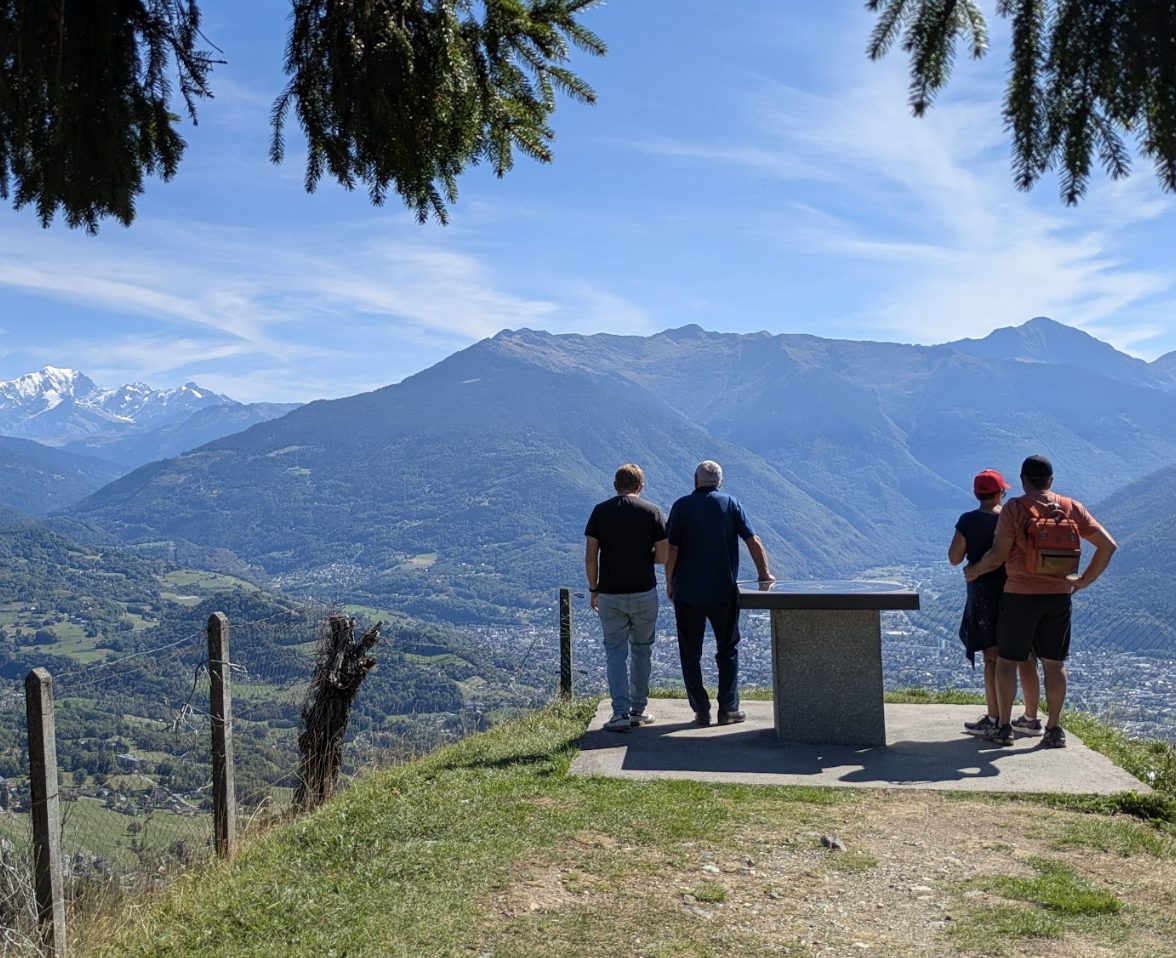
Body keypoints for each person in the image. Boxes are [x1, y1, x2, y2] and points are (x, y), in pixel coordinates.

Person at [965, 455, 1117, 748]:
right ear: (1051, 481)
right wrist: (1083, 581)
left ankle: (1004, 727)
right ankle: (1054, 729)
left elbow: (997, 556)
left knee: (1008, 662)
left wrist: (973, 571)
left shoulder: (1015, 508)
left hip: (1019, 595)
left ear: (1023, 481)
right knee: (1054, 663)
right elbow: (1108, 546)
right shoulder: (1071, 507)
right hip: (1058, 597)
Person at [665, 460, 774, 727]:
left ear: (695, 480)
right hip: (723, 591)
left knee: (690, 652)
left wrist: (670, 582)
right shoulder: (731, 504)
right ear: (720, 481)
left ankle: (701, 710)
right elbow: (753, 541)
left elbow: (673, 550)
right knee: (727, 649)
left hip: (688, 592)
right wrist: (764, 574)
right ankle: (728, 709)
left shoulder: (681, 506)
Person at [949, 468, 1042, 738]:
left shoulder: (968, 521)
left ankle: (995, 718)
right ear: (1001, 492)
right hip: (1017, 591)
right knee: (1024, 656)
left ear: (977, 494)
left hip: (983, 596)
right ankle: (1030, 717)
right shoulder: (1013, 518)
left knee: (992, 659)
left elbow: (955, 558)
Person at [585, 463, 669, 732]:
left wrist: (593, 588)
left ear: (615, 486)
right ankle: (638, 710)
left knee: (615, 651)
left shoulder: (600, 512)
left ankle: (619, 713)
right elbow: (664, 555)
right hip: (644, 591)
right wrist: (646, 557)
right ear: (640, 486)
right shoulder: (653, 512)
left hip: (610, 593)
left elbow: (590, 557)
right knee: (642, 649)